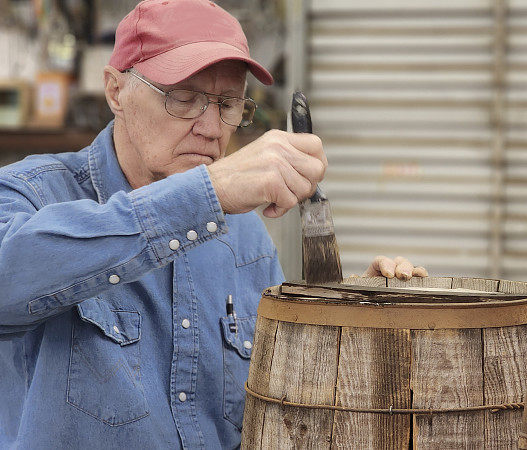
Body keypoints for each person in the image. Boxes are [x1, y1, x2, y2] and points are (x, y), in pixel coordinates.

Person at [0, 0, 426, 447]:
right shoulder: (32, 195)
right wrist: (209, 193)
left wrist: (357, 316)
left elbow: (283, 396)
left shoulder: (244, 237)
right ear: (115, 90)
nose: (210, 127)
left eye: (227, 104)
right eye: (184, 98)